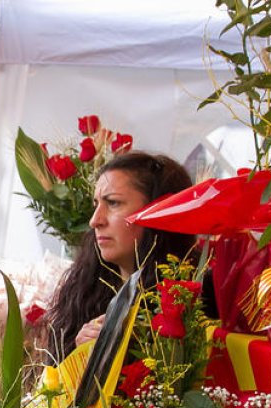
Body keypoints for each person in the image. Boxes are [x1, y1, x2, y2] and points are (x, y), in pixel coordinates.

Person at [44, 151, 196, 363]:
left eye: (113, 203)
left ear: (157, 211)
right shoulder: (84, 290)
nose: (95, 220)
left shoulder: (189, 299)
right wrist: (80, 355)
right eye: (96, 204)